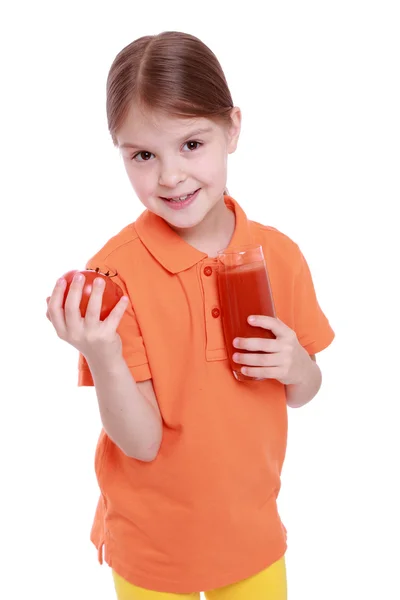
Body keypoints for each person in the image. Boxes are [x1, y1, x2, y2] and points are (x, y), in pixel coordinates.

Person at [46, 31, 335, 600]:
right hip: (153, 549)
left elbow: (305, 390)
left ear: (232, 129)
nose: (171, 176)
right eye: (144, 156)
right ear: (120, 152)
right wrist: (103, 356)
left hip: (250, 537)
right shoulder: (115, 278)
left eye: (192, 145)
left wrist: (297, 366)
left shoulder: (279, 255)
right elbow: (142, 442)